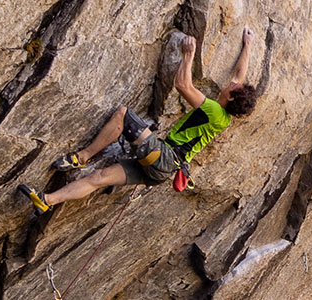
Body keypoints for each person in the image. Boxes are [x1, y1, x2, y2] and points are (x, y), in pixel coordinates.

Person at [18, 28, 258, 214]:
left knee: (123, 114)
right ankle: (47, 200)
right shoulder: (225, 117)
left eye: (233, 88)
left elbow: (183, 85)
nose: (233, 83)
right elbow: (239, 75)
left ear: (230, 97)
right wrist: (247, 45)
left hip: (164, 158)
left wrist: (189, 55)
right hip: (161, 172)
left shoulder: (215, 111)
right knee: (98, 179)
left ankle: (81, 157)